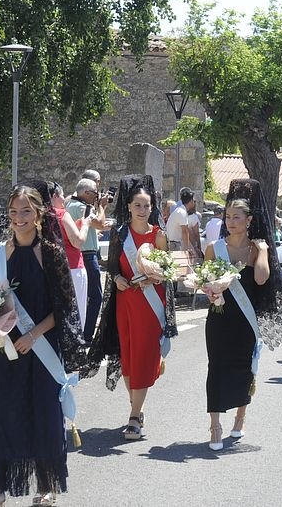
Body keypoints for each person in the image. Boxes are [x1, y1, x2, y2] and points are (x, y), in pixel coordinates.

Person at [0, 182, 86, 506]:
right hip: (8, 350)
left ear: (38, 215)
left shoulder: (51, 252)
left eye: (26, 212)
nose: (19, 218)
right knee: (1, 415)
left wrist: (34, 335)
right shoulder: (1, 252)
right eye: (14, 212)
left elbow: (65, 307)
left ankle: (46, 484)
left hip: (42, 348)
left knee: (43, 415)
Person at [82, 175, 177, 440]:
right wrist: (117, 278)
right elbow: (112, 267)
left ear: (152, 207)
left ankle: (134, 417)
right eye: (138, 205)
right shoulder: (120, 234)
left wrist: (153, 276)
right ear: (129, 206)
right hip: (125, 303)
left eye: (146, 206)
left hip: (150, 304)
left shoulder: (159, 236)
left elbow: (169, 271)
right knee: (127, 359)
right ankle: (137, 405)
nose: (142, 210)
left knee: (144, 356)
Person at [205, 179, 282, 450]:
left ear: (249, 219)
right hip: (219, 318)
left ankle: (240, 418)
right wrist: (209, 289)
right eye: (227, 216)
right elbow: (205, 278)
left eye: (236, 217)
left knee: (244, 369)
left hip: (245, 321)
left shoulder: (257, 249)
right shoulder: (214, 248)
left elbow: (263, 280)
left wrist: (264, 251)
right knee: (216, 368)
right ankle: (215, 425)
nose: (231, 221)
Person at [65, 178, 109, 342]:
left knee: (79, 297)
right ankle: (87, 334)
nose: (96, 197)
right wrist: (102, 206)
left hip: (78, 254)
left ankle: (78, 332)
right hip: (87, 255)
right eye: (95, 194)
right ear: (86, 193)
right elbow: (100, 223)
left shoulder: (69, 205)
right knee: (95, 296)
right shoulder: (82, 207)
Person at [50, 182, 89, 339]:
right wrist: (85, 224)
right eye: (61, 195)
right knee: (76, 312)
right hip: (72, 266)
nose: (63, 199)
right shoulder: (61, 213)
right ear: (54, 196)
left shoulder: (40, 215)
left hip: (51, 267)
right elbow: (77, 241)